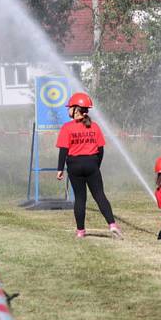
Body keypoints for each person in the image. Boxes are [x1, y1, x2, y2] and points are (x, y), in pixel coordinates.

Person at [56, 92, 121, 239]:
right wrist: (95, 165)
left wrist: (60, 169)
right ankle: (112, 225)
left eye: (69, 107)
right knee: (100, 196)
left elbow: (63, 151)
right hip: (92, 163)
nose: (68, 110)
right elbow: (101, 150)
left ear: (76, 109)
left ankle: (81, 231)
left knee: (80, 199)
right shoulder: (95, 127)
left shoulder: (67, 128)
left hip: (74, 165)